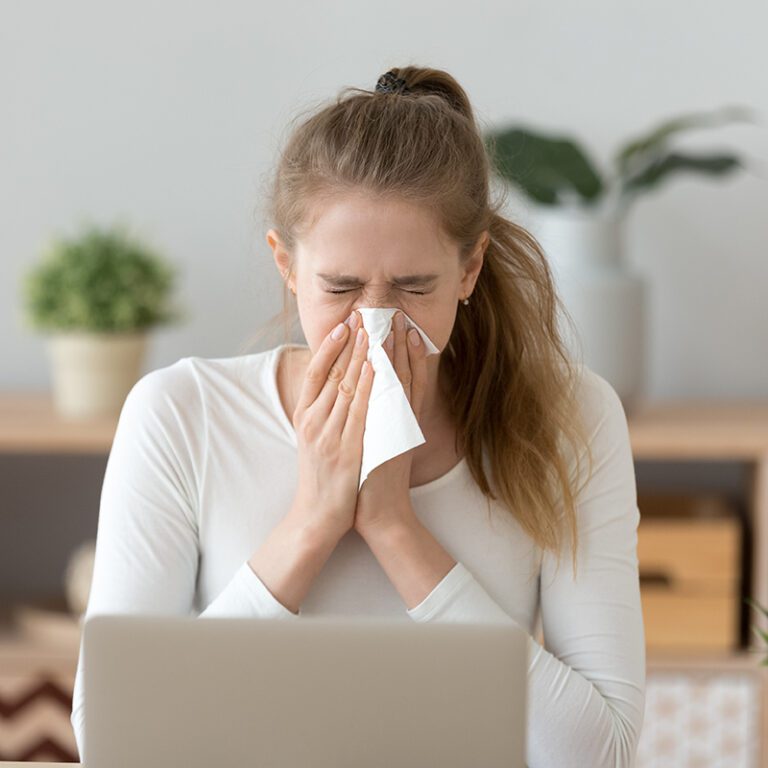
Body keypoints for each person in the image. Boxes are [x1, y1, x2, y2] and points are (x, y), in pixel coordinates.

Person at [70, 65, 646, 766]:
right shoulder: (183, 416)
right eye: (340, 287)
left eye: (414, 286)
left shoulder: (570, 417)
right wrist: (312, 521)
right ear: (286, 263)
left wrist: (396, 529)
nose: (376, 320)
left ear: (469, 269)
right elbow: (115, 742)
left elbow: (602, 752)